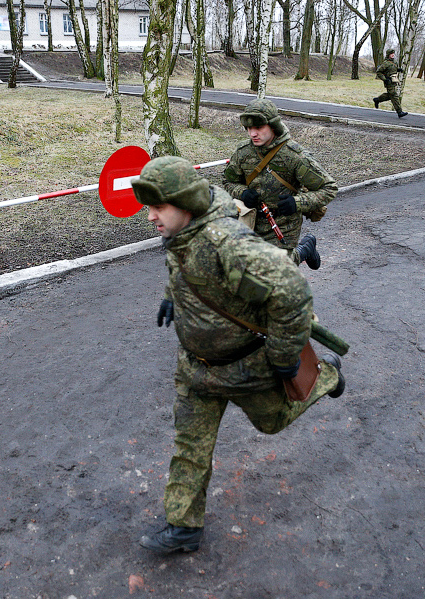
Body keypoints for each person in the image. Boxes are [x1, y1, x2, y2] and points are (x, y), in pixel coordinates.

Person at [132, 156, 345, 554]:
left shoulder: (226, 243)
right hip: (196, 369)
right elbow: (187, 271)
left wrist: (284, 355)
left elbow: (291, 292)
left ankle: (327, 374)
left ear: (186, 205)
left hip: (244, 367)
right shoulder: (181, 235)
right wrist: (171, 297)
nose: (150, 218)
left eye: (158, 207)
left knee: (272, 422)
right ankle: (183, 527)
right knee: (189, 447)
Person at [222, 98, 338, 270]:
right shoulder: (243, 152)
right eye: (249, 128)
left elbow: (329, 189)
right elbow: (228, 181)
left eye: (259, 128)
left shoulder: (294, 156)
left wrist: (296, 203)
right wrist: (242, 193)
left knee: (277, 269)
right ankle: (304, 250)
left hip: (284, 224)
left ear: (273, 126)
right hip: (250, 220)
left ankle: (304, 249)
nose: (253, 133)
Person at [373, 49, 408, 118]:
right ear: (388, 55)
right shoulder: (385, 63)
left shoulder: (394, 62)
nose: (393, 55)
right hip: (388, 81)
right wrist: (385, 79)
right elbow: (378, 72)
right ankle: (399, 112)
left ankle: (377, 100)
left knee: (390, 95)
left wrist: (398, 69)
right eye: (391, 54)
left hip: (394, 81)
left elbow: (392, 69)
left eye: (393, 54)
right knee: (394, 95)